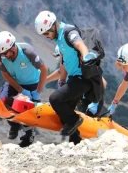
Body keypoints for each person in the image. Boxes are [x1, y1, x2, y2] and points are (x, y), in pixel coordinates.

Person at [35, 10, 105, 144]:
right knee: (63, 113)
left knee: (55, 99)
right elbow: (64, 65)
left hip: (84, 78)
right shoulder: (59, 40)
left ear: (54, 25)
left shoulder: (68, 31)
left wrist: (86, 56)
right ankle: (76, 142)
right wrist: (57, 81)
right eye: (44, 34)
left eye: (47, 33)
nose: (46, 36)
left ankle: (75, 120)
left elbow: (79, 44)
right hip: (74, 79)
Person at [0, 31, 48, 147]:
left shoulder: (27, 51)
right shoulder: (0, 56)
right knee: (4, 102)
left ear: (13, 46)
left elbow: (44, 70)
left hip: (33, 83)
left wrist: (37, 91)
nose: (6, 56)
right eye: (3, 54)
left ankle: (29, 133)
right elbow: (5, 74)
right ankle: (14, 125)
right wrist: (20, 90)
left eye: (7, 53)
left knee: (28, 110)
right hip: (15, 82)